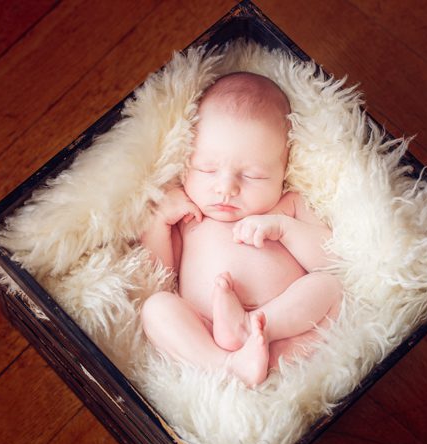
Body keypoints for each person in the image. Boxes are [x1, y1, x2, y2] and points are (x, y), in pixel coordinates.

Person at [140, 72, 342, 387]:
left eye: (253, 176)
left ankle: (253, 329)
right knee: (155, 309)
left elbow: (331, 260)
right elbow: (160, 275)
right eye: (207, 169)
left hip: (283, 327)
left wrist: (284, 229)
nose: (226, 188)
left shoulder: (289, 206)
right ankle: (226, 364)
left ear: (282, 171)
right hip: (205, 327)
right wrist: (158, 224)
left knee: (330, 287)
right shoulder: (189, 214)